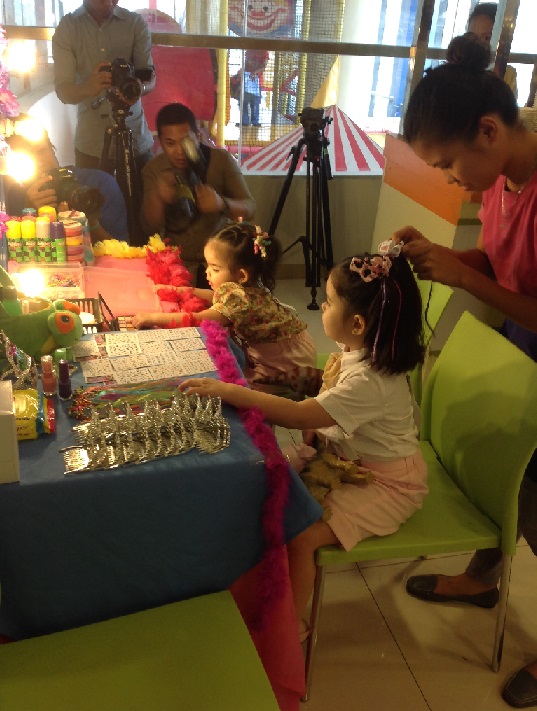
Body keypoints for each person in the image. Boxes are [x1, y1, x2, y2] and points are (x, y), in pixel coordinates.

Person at [177, 243, 428, 640]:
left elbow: (297, 416)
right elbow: (322, 403)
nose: (322, 309)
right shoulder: (361, 350)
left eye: (328, 303)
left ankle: (289, 628)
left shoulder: (370, 381)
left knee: (302, 533)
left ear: (358, 323)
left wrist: (231, 391)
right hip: (350, 460)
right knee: (271, 495)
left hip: (389, 483)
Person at [392, 34, 537, 709]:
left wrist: (462, 277)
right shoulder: (503, 179)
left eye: (449, 164)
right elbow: (502, 265)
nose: (450, 179)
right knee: (495, 468)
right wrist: (443, 257)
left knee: (534, 497)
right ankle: (484, 576)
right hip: (521, 345)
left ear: (488, 130)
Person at [133, 222, 317, 397]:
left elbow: (200, 318)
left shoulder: (240, 300)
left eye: (215, 269)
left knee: (243, 393)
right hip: (292, 346)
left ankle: (280, 399)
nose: (207, 272)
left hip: (287, 361)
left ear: (241, 275)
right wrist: (183, 291)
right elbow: (217, 297)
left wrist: (152, 318)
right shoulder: (243, 288)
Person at [140, 103, 255, 285]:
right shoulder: (154, 169)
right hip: (178, 263)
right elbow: (149, 228)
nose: (179, 151)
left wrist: (221, 203)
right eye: (170, 143)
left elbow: (250, 209)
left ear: (198, 135)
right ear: (160, 142)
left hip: (221, 264)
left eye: (186, 141)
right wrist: (158, 197)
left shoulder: (220, 160)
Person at [52, 0, 156, 175]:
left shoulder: (135, 23)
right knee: (96, 193)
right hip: (92, 143)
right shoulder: (68, 27)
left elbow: (149, 78)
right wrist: (88, 87)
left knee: (143, 192)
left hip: (135, 138)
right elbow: (63, 92)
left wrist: (140, 88)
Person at [4, 114, 128, 243]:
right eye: (24, 157)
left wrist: (89, 223)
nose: (38, 162)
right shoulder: (17, 196)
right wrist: (30, 214)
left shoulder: (100, 183)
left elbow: (122, 251)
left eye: (41, 151)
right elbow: (14, 252)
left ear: (52, 148)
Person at [467, 2, 517, 98]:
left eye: (487, 38)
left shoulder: (506, 73)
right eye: (472, 36)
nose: (477, 43)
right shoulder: (455, 69)